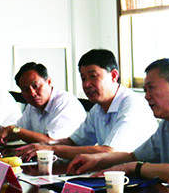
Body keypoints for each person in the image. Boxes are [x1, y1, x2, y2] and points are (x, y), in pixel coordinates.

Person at [15, 49, 157, 160]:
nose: (87, 84)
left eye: (93, 76)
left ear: (114, 76)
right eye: (83, 78)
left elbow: (109, 151)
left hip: (144, 179)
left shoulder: (132, 105)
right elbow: (74, 142)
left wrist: (51, 149)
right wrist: (41, 146)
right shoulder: (97, 109)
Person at [0, 62, 85, 145]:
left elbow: (51, 142)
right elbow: (21, 132)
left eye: (35, 86)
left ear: (48, 82)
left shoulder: (64, 102)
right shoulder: (32, 106)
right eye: (25, 89)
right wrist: (3, 134)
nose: (32, 93)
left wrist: (12, 129)